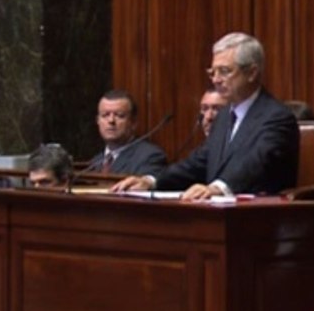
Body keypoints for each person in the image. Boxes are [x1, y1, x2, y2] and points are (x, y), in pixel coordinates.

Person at [111, 32, 299, 200]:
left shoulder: (276, 117)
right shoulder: (225, 116)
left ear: (251, 72)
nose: (216, 79)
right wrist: (152, 181)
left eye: (224, 71)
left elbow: (257, 164)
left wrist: (219, 187)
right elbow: (198, 162)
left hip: (259, 219)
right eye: (212, 72)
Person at [85, 90, 168, 177]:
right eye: (105, 115)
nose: (111, 121)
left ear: (133, 122)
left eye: (120, 115)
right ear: (98, 121)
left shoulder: (150, 156)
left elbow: (152, 180)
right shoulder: (95, 162)